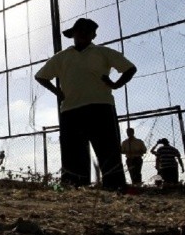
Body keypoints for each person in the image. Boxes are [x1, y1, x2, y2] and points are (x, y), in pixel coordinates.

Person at [35, 18, 137, 190]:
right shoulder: (62, 57)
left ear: (93, 35)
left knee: (108, 148)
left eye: (87, 31)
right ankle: (74, 187)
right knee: (73, 152)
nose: (83, 34)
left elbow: (130, 68)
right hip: (71, 109)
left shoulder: (103, 52)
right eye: (79, 30)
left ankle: (115, 186)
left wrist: (116, 84)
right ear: (73, 34)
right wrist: (57, 92)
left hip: (100, 106)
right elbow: (41, 76)